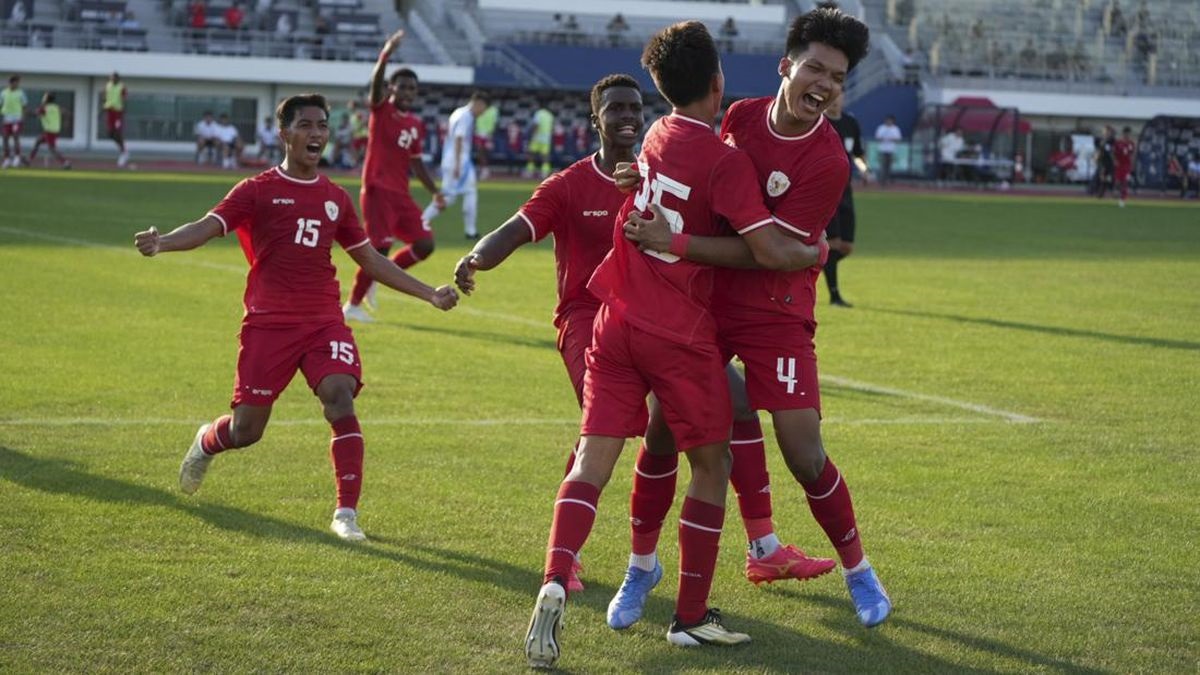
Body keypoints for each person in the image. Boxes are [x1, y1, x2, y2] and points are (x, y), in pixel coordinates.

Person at [523, 22, 828, 669]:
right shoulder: (724, 159)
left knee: (591, 462)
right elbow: (767, 250)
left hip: (614, 320)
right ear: (718, 83)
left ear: (659, 90)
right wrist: (814, 249)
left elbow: (648, 183)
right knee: (712, 467)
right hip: (679, 332)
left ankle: (555, 575)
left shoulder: (656, 136)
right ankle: (689, 616)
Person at [622, 6, 891, 630]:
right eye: (815, 69)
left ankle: (858, 570)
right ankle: (642, 566)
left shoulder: (827, 161)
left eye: (837, 78)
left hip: (777, 312)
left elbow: (769, 256)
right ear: (785, 67)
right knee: (662, 428)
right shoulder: (737, 119)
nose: (823, 86)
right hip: (709, 304)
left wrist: (676, 243)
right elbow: (698, 185)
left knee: (805, 453)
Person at [132, 93, 458, 542]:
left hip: (323, 320)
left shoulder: (335, 198)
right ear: (284, 133)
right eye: (305, 125)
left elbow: (370, 259)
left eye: (322, 125)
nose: (317, 134)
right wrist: (163, 242)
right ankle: (208, 440)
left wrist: (428, 293)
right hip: (268, 323)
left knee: (340, 395)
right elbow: (208, 226)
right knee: (247, 430)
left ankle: (346, 514)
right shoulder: (256, 190)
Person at [343, 31, 446, 322]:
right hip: (377, 190)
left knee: (425, 244)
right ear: (391, 89)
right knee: (379, 248)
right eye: (402, 87)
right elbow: (375, 85)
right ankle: (352, 304)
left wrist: (434, 191)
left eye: (412, 89)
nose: (408, 93)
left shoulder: (415, 124)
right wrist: (386, 53)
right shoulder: (381, 110)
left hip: (401, 194)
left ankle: (377, 277)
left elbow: (417, 163)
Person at [422, 90, 489, 241]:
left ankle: (470, 230)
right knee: (453, 196)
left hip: (452, 158)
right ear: (479, 104)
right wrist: (459, 164)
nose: (482, 113)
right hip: (458, 160)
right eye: (484, 109)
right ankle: (422, 221)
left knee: (464, 193)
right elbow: (459, 138)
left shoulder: (458, 113)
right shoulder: (466, 116)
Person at [823, 92, 870, 308]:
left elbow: (858, 154)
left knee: (846, 246)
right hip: (825, 191)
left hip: (846, 190)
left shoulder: (851, 123)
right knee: (832, 242)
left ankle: (810, 267)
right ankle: (834, 296)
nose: (835, 99)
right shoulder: (819, 122)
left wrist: (864, 169)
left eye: (838, 94)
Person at [29, 92, 71, 169]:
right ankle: (29, 160)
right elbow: (67, 113)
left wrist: (27, 112)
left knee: (52, 148)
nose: (43, 99)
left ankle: (65, 163)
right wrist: (66, 123)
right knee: (38, 141)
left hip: (49, 131)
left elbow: (34, 114)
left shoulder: (44, 108)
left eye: (44, 97)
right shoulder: (56, 107)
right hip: (55, 130)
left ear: (47, 99)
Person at [102, 72, 130, 168]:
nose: (112, 79)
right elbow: (106, 97)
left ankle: (124, 153)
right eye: (111, 78)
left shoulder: (122, 87)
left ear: (118, 79)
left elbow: (125, 99)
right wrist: (102, 109)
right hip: (109, 111)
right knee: (110, 134)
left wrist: (124, 109)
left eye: (114, 78)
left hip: (117, 112)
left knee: (118, 132)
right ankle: (123, 150)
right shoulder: (108, 85)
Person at [1, 74, 28, 168]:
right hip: (6, 119)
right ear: (11, 83)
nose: (17, 84)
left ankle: (17, 157)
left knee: (16, 137)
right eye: (16, 82)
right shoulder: (4, 93)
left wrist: (23, 118)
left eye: (18, 82)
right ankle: (7, 159)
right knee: (5, 138)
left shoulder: (21, 93)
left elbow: (24, 106)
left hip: (17, 119)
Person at [524, 99, 554, 179]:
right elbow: (551, 128)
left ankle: (530, 171)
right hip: (546, 139)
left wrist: (532, 135)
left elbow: (536, 125)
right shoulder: (550, 115)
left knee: (531, 153)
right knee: (545, 156)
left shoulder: (539, 113)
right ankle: (544, 172)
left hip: (537, 137)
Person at [873, 114, 901, 186]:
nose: (889, 121)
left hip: (891, 150)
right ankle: (881, 181)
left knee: (889, 167)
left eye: (890, 120)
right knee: (883, 166)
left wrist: (891, 139)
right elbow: (877, 138)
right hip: (883, 150)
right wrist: (885, 139)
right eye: (888, 120)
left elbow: (898, 139)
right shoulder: (881, 128)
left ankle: (887, 181)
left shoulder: (895, 129)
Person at [472, 101, 498, 180]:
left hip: (488, 134)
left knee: (485, 152)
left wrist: (492, 133)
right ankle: (484, 169)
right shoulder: (480, 108)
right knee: (480, 152)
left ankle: (485, 169)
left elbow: (495, 123)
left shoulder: (494, 110)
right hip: (479, 133)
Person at [1112, 126, 1135, 207]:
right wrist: (1115, 160)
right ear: (1123, 134)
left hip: (1127, 166)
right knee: (1118, 182)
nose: (1127, 135)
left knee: (1125, 183)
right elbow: (1114, 153)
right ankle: (1116, 192)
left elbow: (1132, 155)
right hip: (1119, 165)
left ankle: (1122, 200)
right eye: (1125, 133)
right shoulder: (1118, 143)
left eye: (1128, 134)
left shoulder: (1131, 144)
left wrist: (1132, 165)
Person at [1093, 126, 1115, 198]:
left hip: (1109, 162)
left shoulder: (1112, 141)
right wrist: (1096, 158)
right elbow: (1098, 150)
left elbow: (1112, 151)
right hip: (1102, 162)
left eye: (1108, 132)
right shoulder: (1099, 140)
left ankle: (1109, 191)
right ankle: (1101, 192)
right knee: (1102, 177)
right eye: (1105, 131)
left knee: (1109, 177)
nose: (1106, 133)